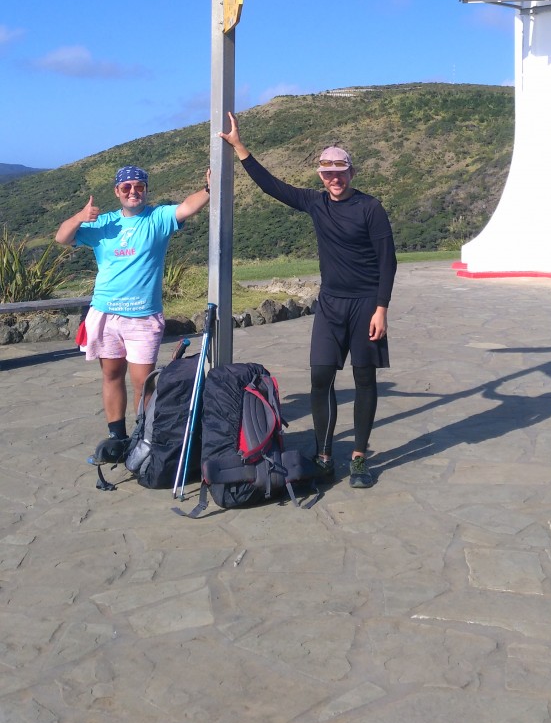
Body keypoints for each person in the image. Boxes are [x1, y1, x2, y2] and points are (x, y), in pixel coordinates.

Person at [221, 114, 396, 488]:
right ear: (320, 175)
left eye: (341, 172)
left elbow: (387, 260)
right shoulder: (316, 204)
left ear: (352, 173)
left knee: (364, 379)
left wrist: (382, 309)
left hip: (366, 304)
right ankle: (324, 455)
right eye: (328, 172)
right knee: (320, 377)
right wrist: (240, 149)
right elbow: (272, 186)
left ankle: (360, 459)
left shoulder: (370, 208)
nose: (335, 178)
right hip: (331, 304)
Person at [55, 164, 210, 458]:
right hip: (105, 313)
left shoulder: (158, 218)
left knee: (144, 382)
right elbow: (61, 237)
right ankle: (117, 438)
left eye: (139, 186)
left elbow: (187, 208)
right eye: (126, 187)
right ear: (117, 191)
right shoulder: (103, 224)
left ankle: (144, 437)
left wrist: (209, 189)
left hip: (142, 316)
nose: (133, 192)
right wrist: (79, 217)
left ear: (146, 190)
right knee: (112, 375)